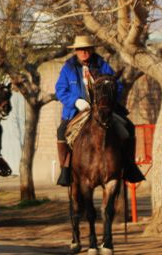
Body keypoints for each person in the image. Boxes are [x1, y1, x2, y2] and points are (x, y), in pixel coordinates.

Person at [55, 35, 145, 186]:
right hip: (77, 110)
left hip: (103, 108)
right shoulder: (68, 68)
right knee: (61, 131)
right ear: (76, 51)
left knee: (129, 127)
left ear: (92, 49)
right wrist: (76, 101)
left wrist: (109, 98)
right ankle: (65, 169)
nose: (85, 52)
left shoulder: (102, 65)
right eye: (81, 49)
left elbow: (117, 85)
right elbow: (60, 90)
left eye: (87, 49)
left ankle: (130, 166)